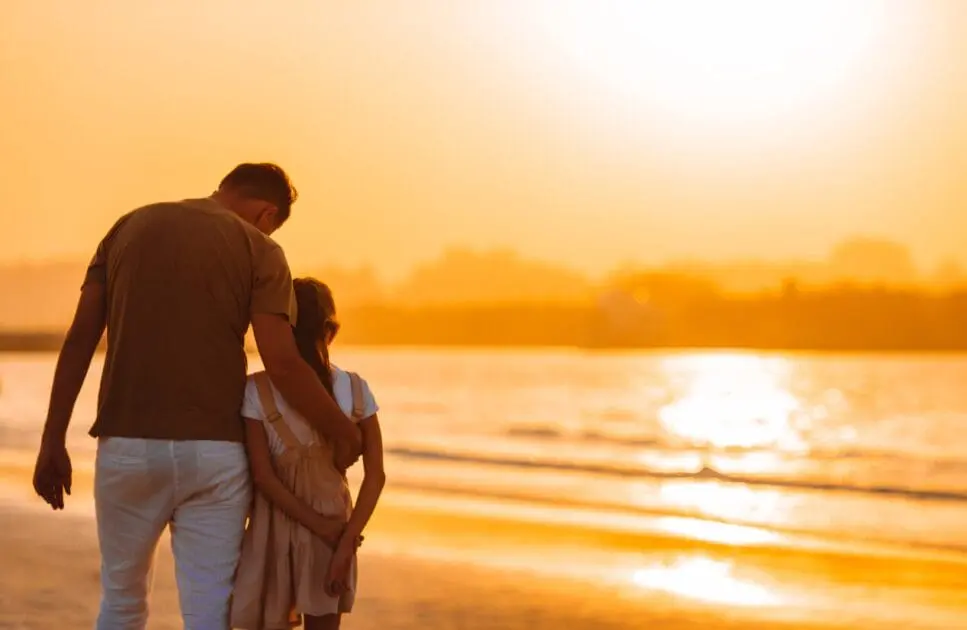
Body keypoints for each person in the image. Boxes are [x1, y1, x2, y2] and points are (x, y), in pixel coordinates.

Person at [31, 164, 363, 630]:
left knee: (122, 601)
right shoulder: (261, 248)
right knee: (209, 610)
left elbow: (81, 337)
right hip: (215, 453)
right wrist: (344, 430)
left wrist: (53, 440)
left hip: (128, 447)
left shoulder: (128, 227)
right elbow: (283, 364)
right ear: (268, 214)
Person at [231, 278, 385, 630]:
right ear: (330, 331)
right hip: (333, 528)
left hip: (275, 528)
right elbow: (376, 476)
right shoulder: (356, 389)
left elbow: (263, 477)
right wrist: (346, 541)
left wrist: (324, 531)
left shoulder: (257, 389)